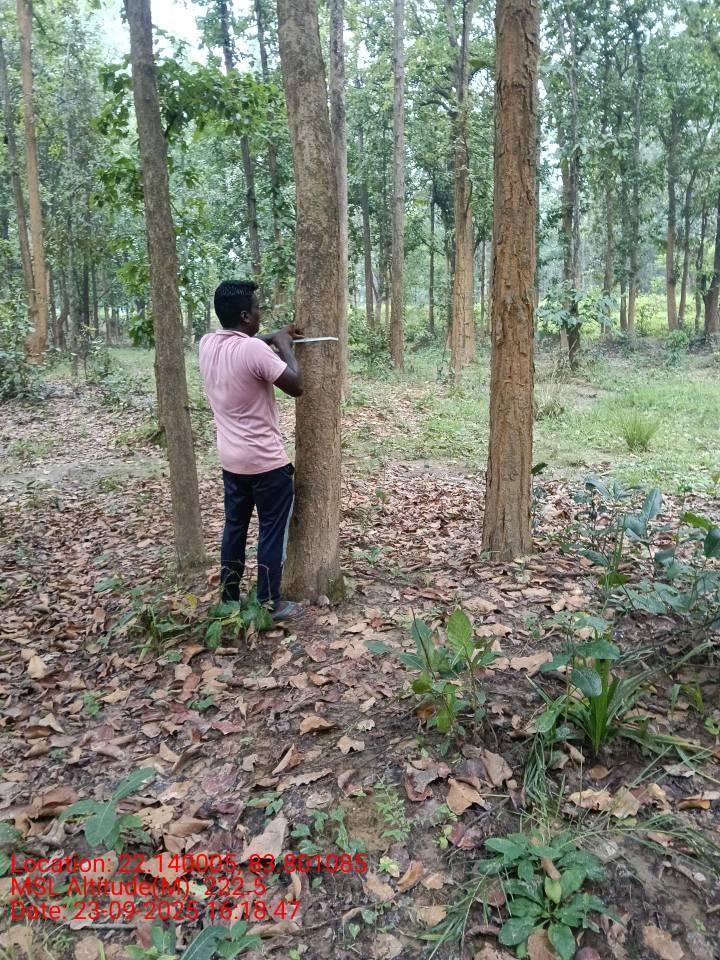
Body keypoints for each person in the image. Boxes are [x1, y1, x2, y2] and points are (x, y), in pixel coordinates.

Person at [199, 279, 303, 622]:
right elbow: (296, 386)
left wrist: (273, 335)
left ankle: (229, 598)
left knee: (234, 529)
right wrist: (284, 345)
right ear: (245, 316)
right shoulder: (255, 352)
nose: (260, 314)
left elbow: (247, 345)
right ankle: (269, 603)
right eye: (257, 310)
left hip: (232, 462)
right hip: (266, 463)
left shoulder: (207, 343)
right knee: (271, 533)